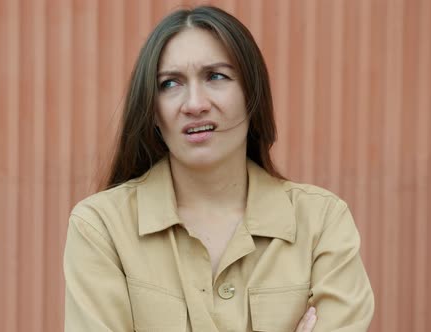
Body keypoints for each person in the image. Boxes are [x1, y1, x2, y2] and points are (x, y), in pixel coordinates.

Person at [63, 6, 374, 332]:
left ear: (252, 96)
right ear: (152, 110)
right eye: (170, 83)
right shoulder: (101, 228)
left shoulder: (322, 222)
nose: (195, 103)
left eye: (216, 76)